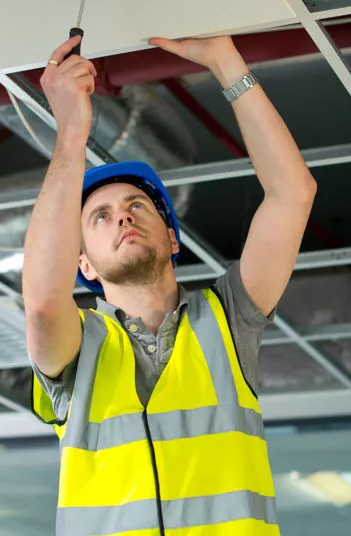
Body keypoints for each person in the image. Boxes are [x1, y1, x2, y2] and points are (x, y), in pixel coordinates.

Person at [24, 33, 316, 536]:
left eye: (137, 207)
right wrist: (71, 131)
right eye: (100, 217)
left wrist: (225, 61)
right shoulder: (77, 348)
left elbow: (293, 193)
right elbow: (44, 306)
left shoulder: (228, 320)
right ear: (85, 267)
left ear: (173, 239)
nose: (123, 218)